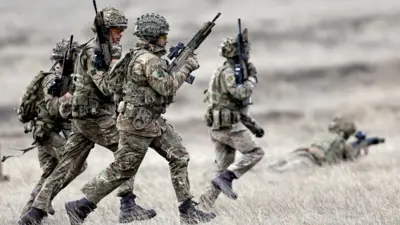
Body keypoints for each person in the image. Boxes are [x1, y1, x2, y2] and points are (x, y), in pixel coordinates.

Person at [64, 13, 216, 225]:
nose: (166, 39)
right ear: (152, 37)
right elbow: (166, 86)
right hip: (137, 124)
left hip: (151, 120)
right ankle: (80, 207)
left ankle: (188, 210)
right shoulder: (148, 59)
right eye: (163, 36)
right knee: (122, 169)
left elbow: (117, 86)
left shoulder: (137, 56)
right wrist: (187, 66)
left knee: (179, 155)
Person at [18, 7, 156, 225]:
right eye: (116, 29)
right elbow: (106, 87)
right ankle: (125, 205)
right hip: (94, 118)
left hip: (84, 118)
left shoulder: (99, 50)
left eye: (123, 29)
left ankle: (34, 213)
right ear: (104, 30)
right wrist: (116, 67)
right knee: (128, 151)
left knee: (67, 166)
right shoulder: (94, 53)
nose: (121, 33)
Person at [16, 38, 87, 218]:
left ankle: (30, 215)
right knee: (75, 162)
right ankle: (40, 205)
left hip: (52, 131)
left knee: (50, 174)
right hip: (46, 133)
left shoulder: (67, 80)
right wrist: (69, 97)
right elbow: (54, 108)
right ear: (62, 62)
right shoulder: (51, 81)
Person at [198, 33, 265, 210]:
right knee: (255, 153)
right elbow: (240, 94)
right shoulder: (228, 72)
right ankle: (227, 178)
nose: (247, 54)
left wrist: (253, 126)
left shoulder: (230, 70)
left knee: (222, 168)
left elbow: (233, 105)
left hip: (221, 125)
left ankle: (202, 206)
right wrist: (252, 78)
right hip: (227, 126)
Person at [267, 117, 367, 173]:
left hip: (298, 153)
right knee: (283, 172)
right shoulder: (340, 141)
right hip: (310, 160)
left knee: (273, 167)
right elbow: (351, 159)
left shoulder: (321, 135)